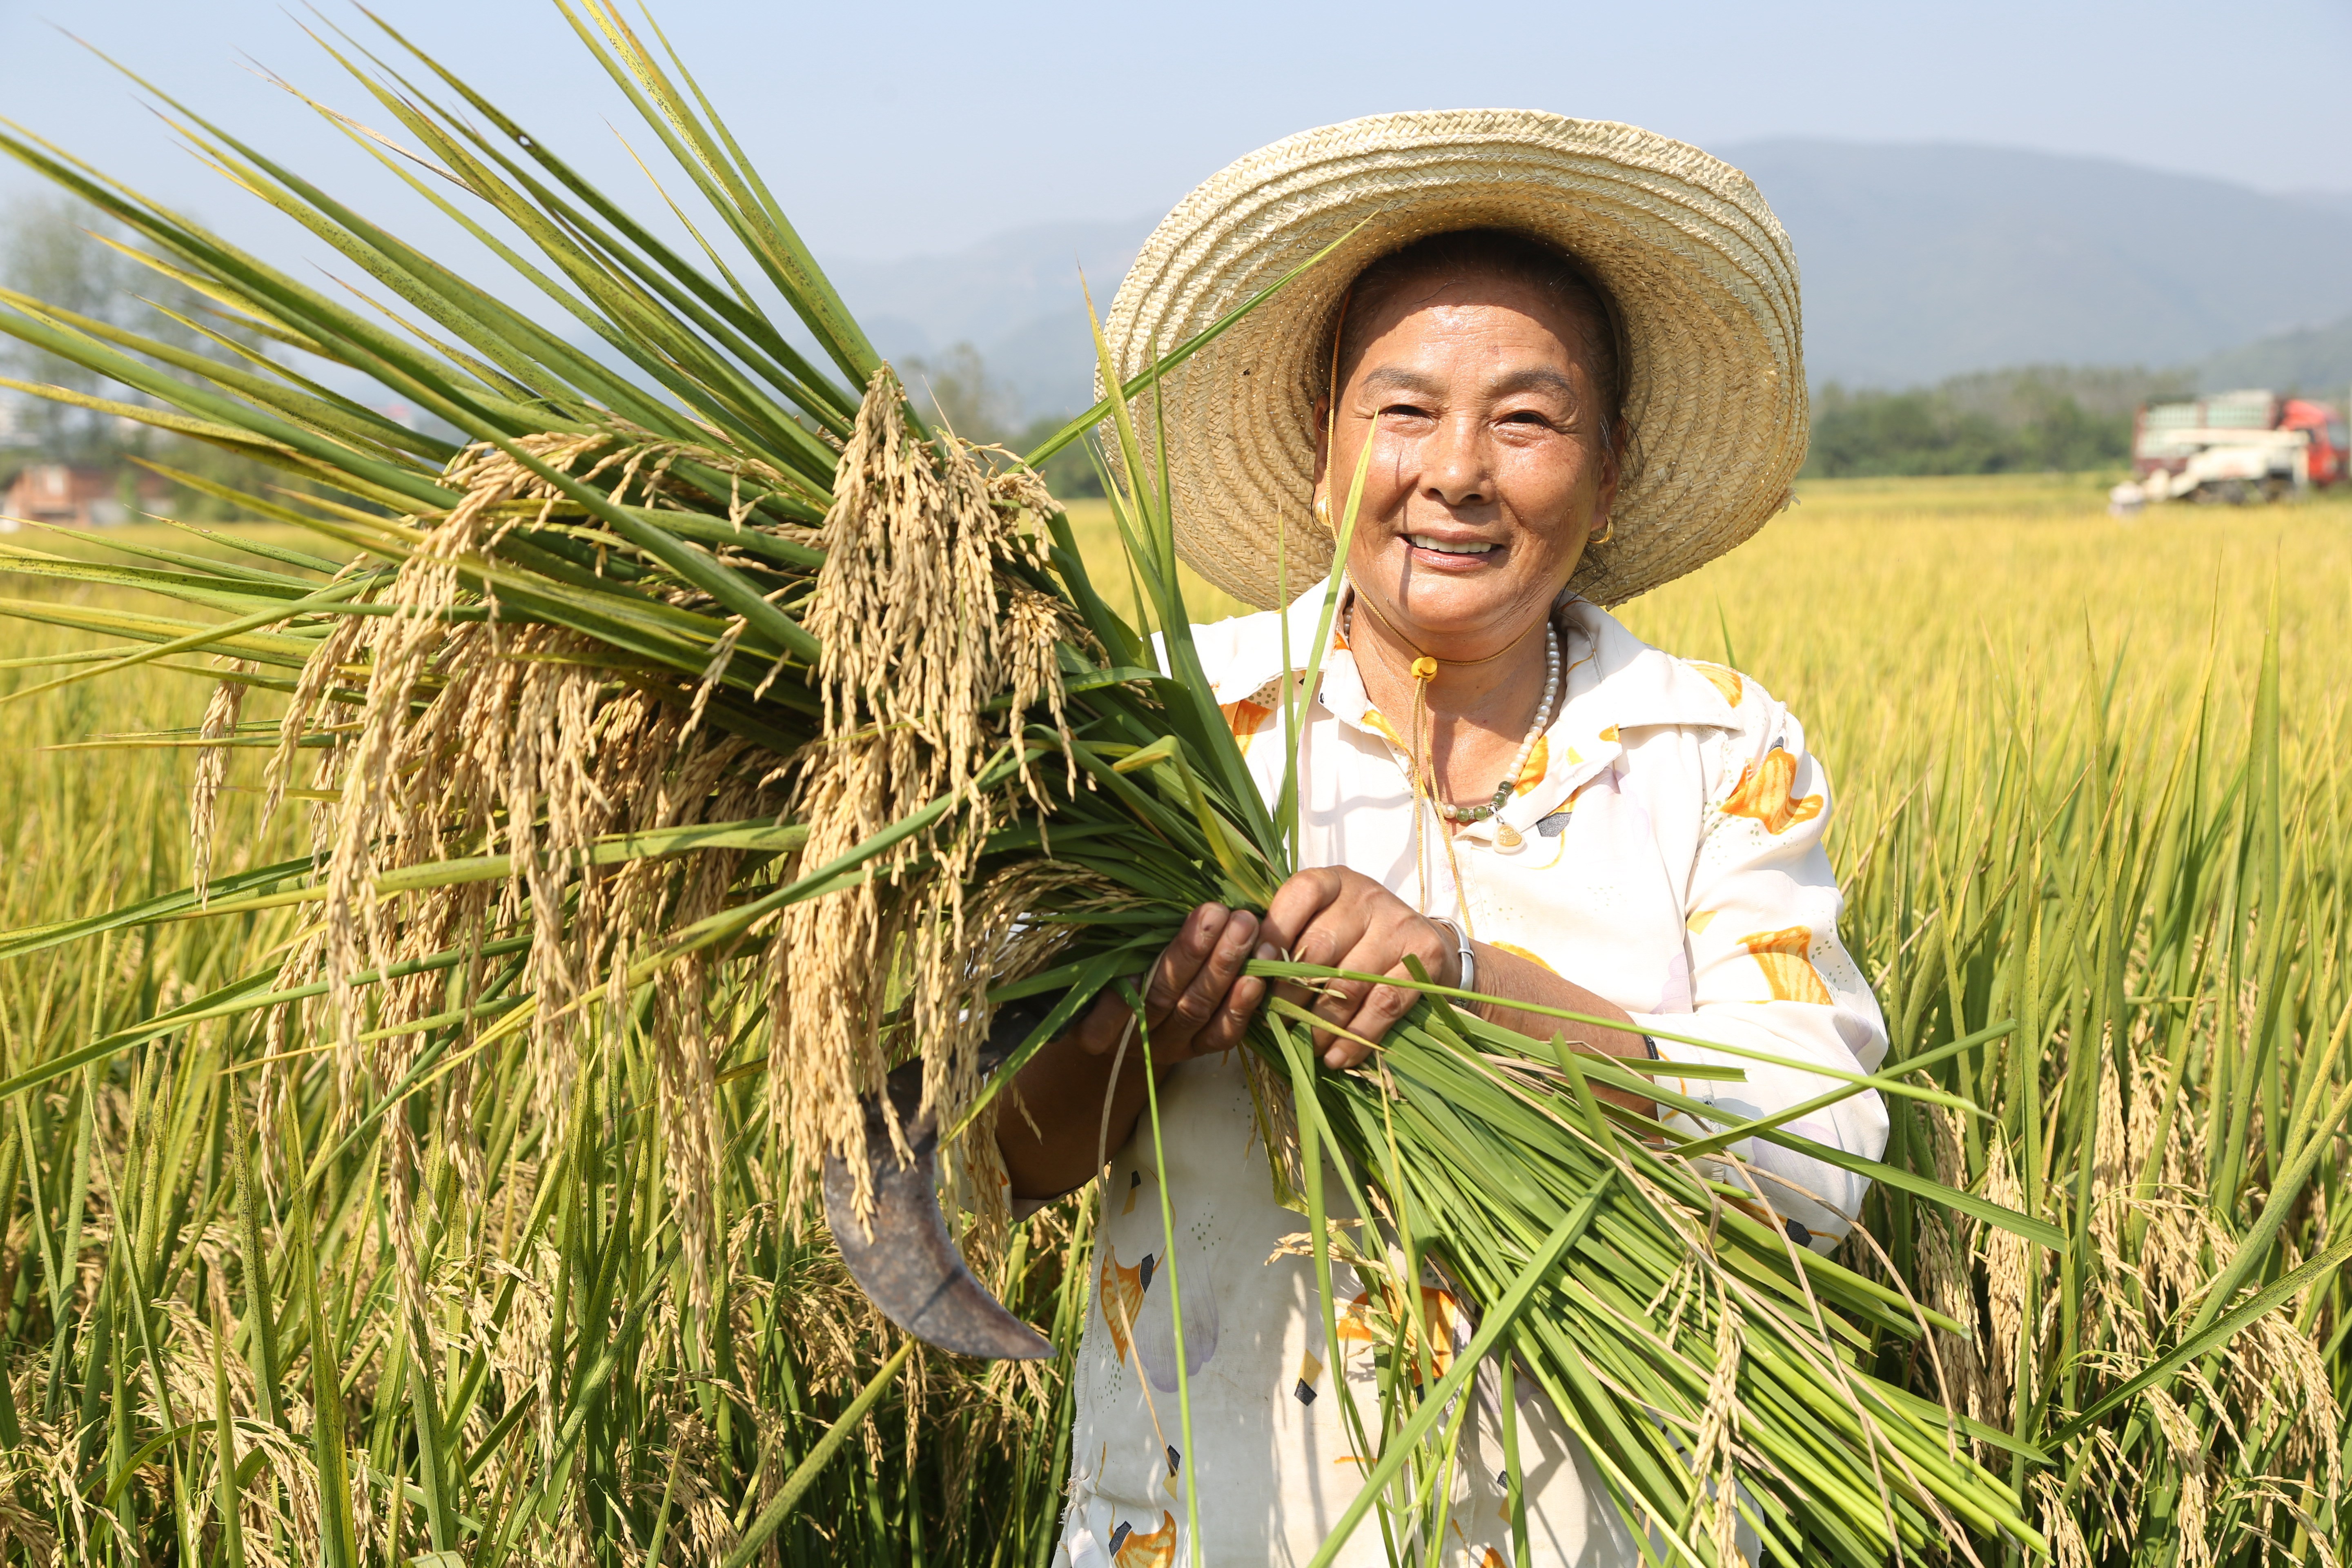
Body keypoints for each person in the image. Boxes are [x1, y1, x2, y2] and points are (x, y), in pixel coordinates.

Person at [998, 111, 1888, 1567]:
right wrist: (1137, 1035)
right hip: (1212, 1524)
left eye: (1527, 420)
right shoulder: (1162, 736)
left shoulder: (1715, 749)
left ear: (1607, 472)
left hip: (1614, 1527)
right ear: (1320, 456)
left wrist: (1486, 986)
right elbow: (996, 1156)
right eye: (1403, 412)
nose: (1459, 472)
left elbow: (1826, 1154)